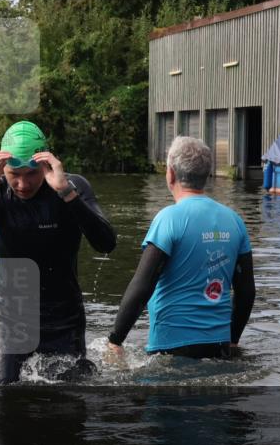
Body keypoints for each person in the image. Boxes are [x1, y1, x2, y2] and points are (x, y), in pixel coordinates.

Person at [0, 121, 117, 383]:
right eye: (14, 174)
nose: (22, 184)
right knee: (2, 397)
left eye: (31, 174)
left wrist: (67, 193)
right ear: (1, 169)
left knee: (67, 406)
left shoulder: (71, 187)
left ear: (45, 165)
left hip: (63, 318)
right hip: (9, 317)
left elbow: (106, 243)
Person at [106, 136, 255, 361]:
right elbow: (246, 292)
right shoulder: (234, 220)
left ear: (171, 174)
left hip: (171, 348)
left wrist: (115, 340)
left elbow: (143, 285)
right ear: (206, 175)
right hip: (219, 346)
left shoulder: (169, 219)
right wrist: (232, 341)